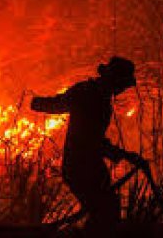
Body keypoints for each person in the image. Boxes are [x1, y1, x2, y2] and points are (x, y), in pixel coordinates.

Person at [31, 56, 143, 235]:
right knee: (105, 213)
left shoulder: (89, 93)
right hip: (81, 168)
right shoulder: (91, 97)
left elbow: (60, 105)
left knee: (106, 211)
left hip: (87, 166)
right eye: (122, 84)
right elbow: (91, 141)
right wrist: (122, 154)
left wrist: (38, 103)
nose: (122, 89)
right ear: (114, 80)